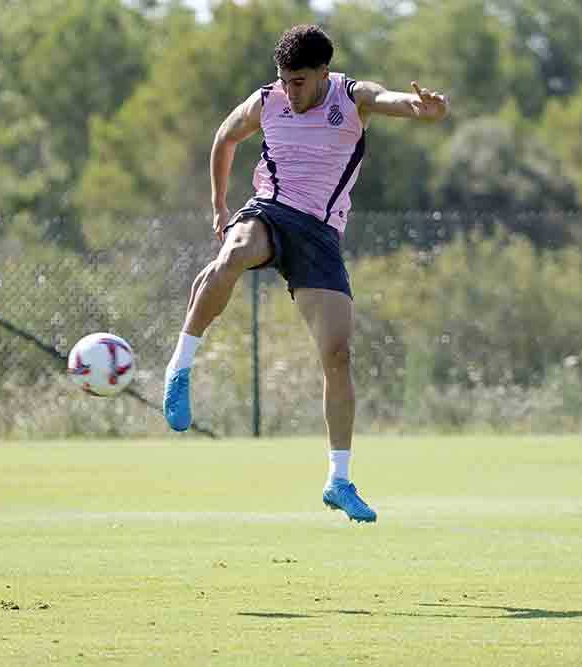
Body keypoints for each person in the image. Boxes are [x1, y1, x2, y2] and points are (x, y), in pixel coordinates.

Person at [163, 24, 448, 523]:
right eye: (283, 80)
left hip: (319, 235)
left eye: (298, 81)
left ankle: (339, 480)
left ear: (322, 73)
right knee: (233, 254)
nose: (289, 91)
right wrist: (219, 204)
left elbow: (390, 99)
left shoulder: (350, 97)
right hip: (270, 210)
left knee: (337, 355)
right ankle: (180, 367)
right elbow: (225, 137)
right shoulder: (268, 100)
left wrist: (421, 108)